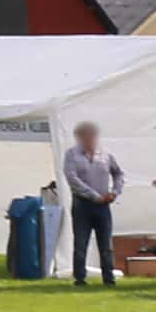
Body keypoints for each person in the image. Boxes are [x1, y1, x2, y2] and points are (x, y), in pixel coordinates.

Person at [58, 120, 126, 286]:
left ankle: (108, 277)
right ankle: (80, 277)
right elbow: (72, 178)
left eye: (93, 135)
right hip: (83, 203)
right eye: (86, 136)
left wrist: (115, 192)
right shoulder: (72, 155)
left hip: (103, 205)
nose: (90, 139)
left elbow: (118, 173)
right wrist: (94, 196)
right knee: (81, 242)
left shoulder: (105, 155)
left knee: (106, 243)